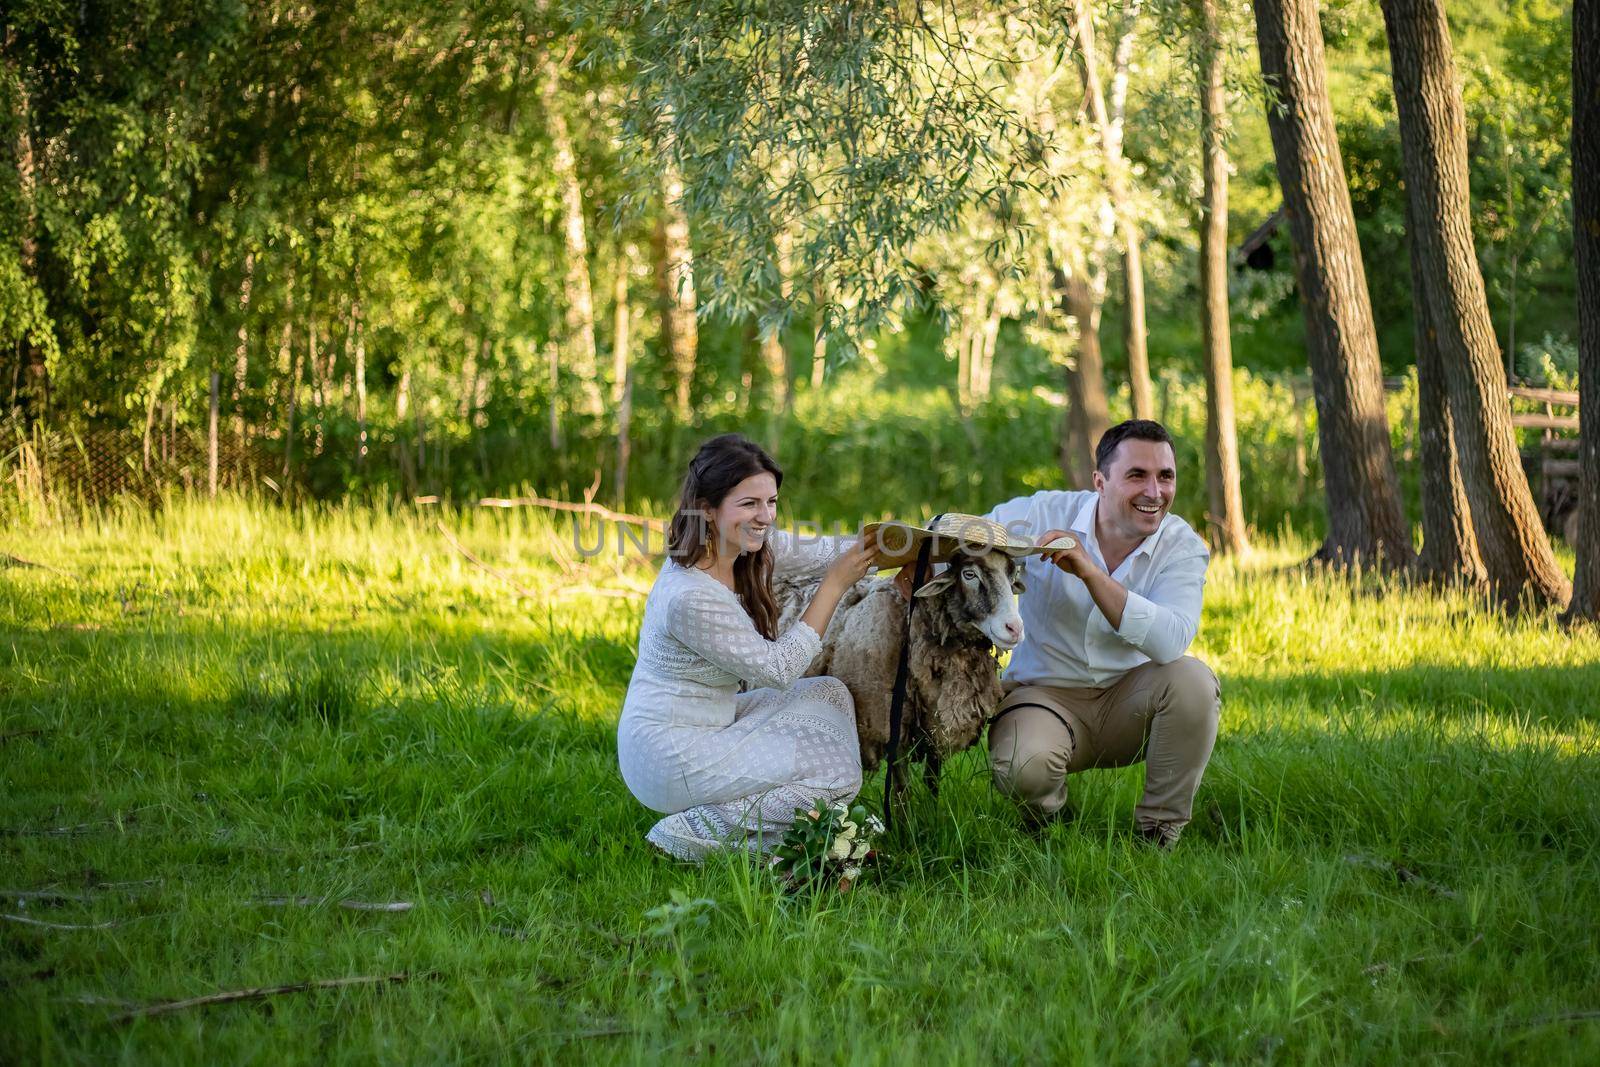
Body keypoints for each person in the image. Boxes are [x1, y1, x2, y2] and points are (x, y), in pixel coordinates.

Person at [617, 433, 879, 861]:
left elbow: (834, 551)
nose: (765, 516)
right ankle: (695, 831)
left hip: (714, 722)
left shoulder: (745, 548)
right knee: (838, 776)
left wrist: (938, 542)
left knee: (829, 692)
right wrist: (835, 586)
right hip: (669, 754)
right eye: (749, 504)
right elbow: (778, 670)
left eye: (771, 502)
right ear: (707, 509)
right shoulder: (689, 595)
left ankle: (793, 826)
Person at [979, 419, 1220, 849]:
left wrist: (1089, 572)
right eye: (1136, 476)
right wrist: (903, 561)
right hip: (1044, 695)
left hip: (1133, 700)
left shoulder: (1182, 546)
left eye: (1165, 476)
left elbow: (1171, 641)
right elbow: (960, 536)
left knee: (1194, 682)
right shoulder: (1042, 514)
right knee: (1023, 765)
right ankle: (1048, 822)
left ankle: (1158, 835)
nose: (1155, 492)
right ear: (1100, 481)